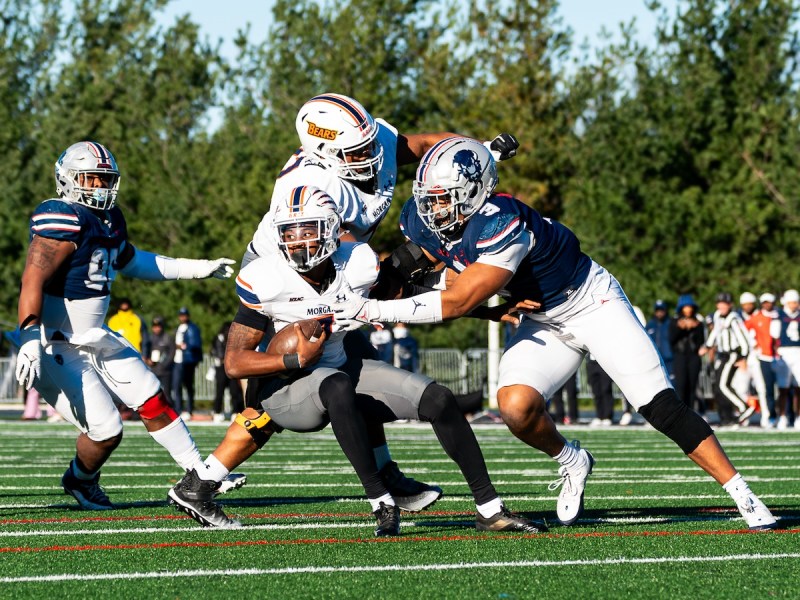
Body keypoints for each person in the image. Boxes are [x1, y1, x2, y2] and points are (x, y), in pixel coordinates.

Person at [334, 136, 776, 530]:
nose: (432, 210)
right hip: (543, 319)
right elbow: (421, 271)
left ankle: (741, 493)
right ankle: (572, 459)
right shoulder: (431, 217)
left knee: (658, 405)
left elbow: (457, 300)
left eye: (443, 200)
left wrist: (372, 308)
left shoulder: (501, 225)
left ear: (472, 194)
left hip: (590, 303)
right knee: (515, 407)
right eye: (428, 198)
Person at [168, 186, 543, 536]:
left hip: (340, 369)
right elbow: (234, 362)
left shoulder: (358, 264)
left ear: (331, 231)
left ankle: (490, 509)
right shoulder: (266, 278)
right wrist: (294, 357)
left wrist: (486, 311)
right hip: (286, 388)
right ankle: (381, 500)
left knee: (438, 399)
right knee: (337, 385)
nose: (298, 241)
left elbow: (409, 296)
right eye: (290, 232)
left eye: (308, 230)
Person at [240, 92, 520, 494]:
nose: (370, 154)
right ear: (322, 152)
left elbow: (427, 145)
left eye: (368, 144)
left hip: (338, 268)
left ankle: (385, 473)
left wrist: (473, 152)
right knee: (275, 396)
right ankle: (203, 479)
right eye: (357, 152)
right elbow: (344, 262)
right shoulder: (311, 186)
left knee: (355, 372)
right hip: (295, 278)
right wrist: (441, 285)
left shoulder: (370, 142)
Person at [14, 140, 241, 510]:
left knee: (152, 395)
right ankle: (80, 480)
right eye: (92, 179)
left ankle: (199, 474)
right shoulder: (61, 218)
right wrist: (28, 336)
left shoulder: (109, 220)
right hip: (56, 341)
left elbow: (134, 261)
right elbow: (32, 280)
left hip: (94, 337)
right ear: (68, 179)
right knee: (107, 432)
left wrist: (196, 268)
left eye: (105, 180)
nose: (101, 188)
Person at [699, 292, 754, 426]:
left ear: (730, 305)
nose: (722, 306)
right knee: (719, 387)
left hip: (733, 354)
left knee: (723, 385)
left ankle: (744, 407)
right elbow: (715, 333)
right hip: (722, 355)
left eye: (725, 304)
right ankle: (726, 418)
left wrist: (743, 357)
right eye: (720, 303)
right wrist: (707, 346)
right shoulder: (717, 316)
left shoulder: (733, 318)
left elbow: (744, 338)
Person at [745, 293, 779, 427]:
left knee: (786, 388)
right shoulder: (756, 317)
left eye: (769, 302)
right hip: (764, 357)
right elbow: (744, 330)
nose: (767, 304)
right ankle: (769, 416)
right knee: (766, 388)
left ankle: (787, 416)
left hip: (781, 356)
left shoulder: (779, 315)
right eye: (764, 302)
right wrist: (753, 343)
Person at [669, 294, 706, 415]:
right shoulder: (674, 322)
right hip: (680, 357)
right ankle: (680, 413)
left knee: (692, 386)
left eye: (690, 307)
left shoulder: (699, 323)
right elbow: (671, 339)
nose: (688, 310)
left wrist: (694, 328)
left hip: (693, 357)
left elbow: (701, 341)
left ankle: (690, 412)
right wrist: (681, 328)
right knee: (680, 386)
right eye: (685, 307)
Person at [771, 289, 800, 429]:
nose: (794, 304)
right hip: (785, 353)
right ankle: (782, 416)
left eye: (796, 302)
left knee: (798, 387)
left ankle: (798, 417)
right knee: (783, 388)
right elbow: (774, 335)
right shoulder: (779, 315)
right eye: (792, 302)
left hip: (798, 352)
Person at [210, 321, 244, 422]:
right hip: (221, 367)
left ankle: (236, 411)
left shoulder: (235, 339)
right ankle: (217, 412)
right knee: (219, 391)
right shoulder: (219, 338)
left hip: (232, 367)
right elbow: (216, 352)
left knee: (234, 391)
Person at [172, 307, 202, 420]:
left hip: (187, 361)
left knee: (188, 386)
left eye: (184, 315)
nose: (182, 317)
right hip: (177, 360)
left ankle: (189, 410)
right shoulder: (178, 328)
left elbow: (195, 344)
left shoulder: (193, 328)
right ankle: (179, 409)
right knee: (176, 386)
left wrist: (184, 346)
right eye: (181, 315)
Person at [145, 316, 175, 404]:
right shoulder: (149, 339)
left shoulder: (168, 338)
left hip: (165, 371)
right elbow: (145, 352)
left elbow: (172, 353)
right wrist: (147, 360)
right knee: (152, 394)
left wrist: (165, 365)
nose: (157, 328)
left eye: (159, 326)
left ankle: (170, 413)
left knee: (167, 394)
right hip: (153, 370)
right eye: (155, 326)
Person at [646, 300, 673, 377]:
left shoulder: (671, 324)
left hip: (669, 361)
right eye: (657, 310)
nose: (659, 313)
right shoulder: (650, 325)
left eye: (662, 310)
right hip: (655, 362)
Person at [586, 356, 614, 426]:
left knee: (606, 389)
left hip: (604, 362)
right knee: (596, 392)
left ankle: (607, 416)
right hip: (591, 363)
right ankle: (599, 416)